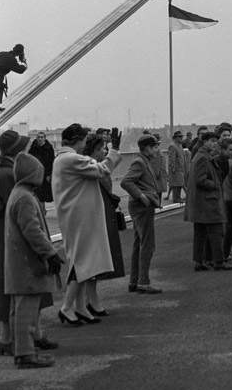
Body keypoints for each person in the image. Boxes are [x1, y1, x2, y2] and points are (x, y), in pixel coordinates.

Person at [52, 124, 123, 325]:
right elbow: (103, 169)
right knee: (82, 260)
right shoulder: (71, 159)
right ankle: (66, 307)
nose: (85, 144)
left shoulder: (62, 159)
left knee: (83, 259)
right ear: (78, 140)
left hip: (76, 215)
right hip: (79, 217)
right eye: (84, 140)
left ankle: (80, 306)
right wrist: (114, 151)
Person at [4, 152, 64, 368]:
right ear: (33, 175)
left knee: (18, 311)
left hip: (18, 265)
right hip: (28, 265)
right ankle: (26, 354)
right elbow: (34, 232)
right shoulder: (26, 198)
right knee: (27, 313)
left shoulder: (17, 194)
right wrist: (51, 253)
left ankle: (22, 352)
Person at [83, 134, 125, 311]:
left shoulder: (91, 165)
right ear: (94, 150)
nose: (105, 152)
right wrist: (114, 149)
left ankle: (89, 300)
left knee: (96, 258)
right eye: (102, 149)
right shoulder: (89, 165)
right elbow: (105, 170)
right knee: (95, 258)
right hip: (96, 214)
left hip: (101, 212)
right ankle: (90, 301)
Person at [0, 129, 31, 350]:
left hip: (2, 232)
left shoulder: (3, 171)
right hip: (7, 233)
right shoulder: (9, 175)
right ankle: (10, 338)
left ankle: (8, 336)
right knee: (10, 283)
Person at [185, 130, 232, 271]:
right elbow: (200, 180)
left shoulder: (202, 156)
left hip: (201, 202)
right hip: (207, 201)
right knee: (216, 230)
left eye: (215, 142)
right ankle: (218, 261)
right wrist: (216, 184)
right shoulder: (203, 158)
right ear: (204, 142)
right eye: (212, 141)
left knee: (200, 233)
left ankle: (199, 261)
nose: (214, 144)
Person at [121, 134, 163, 294]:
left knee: (139, 244)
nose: (157, 150)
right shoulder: (140, 162)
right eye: (154, 147)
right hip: (142, 207)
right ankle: (143, 282)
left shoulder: (144, 161)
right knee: (147, 244)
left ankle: (135, 281)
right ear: (147, 148)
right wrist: (142, 196)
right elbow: (126, 181)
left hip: (139, 206)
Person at [27, 132, 55, 213]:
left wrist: (50, 174)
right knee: (37, 192)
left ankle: (42, 209)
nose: (40, 139)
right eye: (38, 137)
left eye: (41, 137)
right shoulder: (33, 148)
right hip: (36, 173)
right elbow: (29, 159)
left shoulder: (49, 148)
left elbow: (51, 161)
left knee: (43, 193)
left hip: (45, 174)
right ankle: (41, 209)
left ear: (45, 138)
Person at [0, 44, 27, 112]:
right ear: (20, 53)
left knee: (0, 85)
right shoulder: (12, 60)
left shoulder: (2, 53)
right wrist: (23, 61)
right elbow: (20, 70)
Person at [167, 130, 186, 204]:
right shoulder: (173, 146)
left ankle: (178, 197)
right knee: (176, 185)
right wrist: (173, 168)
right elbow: (172, 158)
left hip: (180, 169)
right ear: (176, 138)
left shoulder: (180, 145)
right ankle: (176, 198)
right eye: (180, 137)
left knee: (180, 184)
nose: (181, 138)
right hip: (176, 170)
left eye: (181, 136)